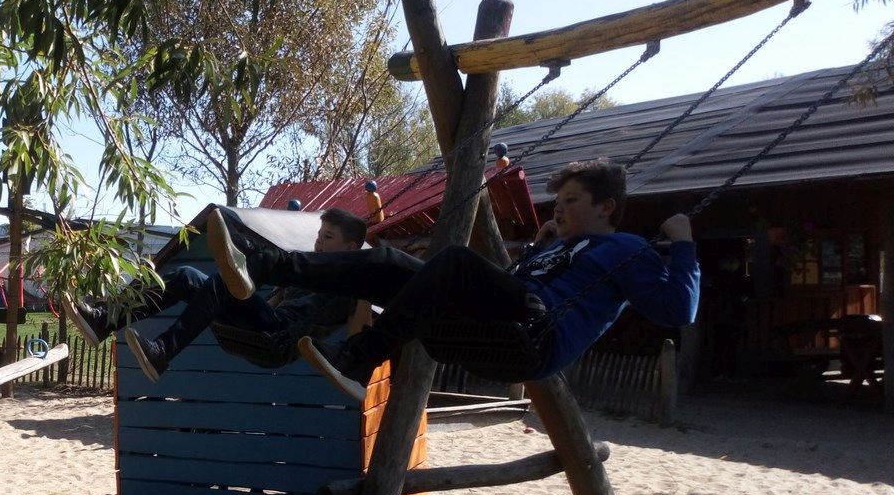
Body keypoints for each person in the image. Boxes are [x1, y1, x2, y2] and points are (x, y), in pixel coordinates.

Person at [207, 158, 701, 400]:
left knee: (456, 261)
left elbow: (677, 310)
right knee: (385, 263)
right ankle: (262, 266)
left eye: (571, 201)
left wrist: (683, 244)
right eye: (560, 200)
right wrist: (541, 248)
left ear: (606, 207)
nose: (559, 208)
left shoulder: (627, 249)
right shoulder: (559, 244)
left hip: (536, 335)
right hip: (499, 321)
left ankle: (358, 357)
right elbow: (510, 284)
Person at [63, 207, 371, 382]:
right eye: (318, 236)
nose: (318, 243)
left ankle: (162, 351)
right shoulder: (306, 271)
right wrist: (245, 304)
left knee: (224, 280)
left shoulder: (353, 284)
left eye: (327, 237)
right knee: (186, 276)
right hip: (260, 328)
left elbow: (360, 331)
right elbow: (271, 304)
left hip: (279, 340)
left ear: (351, 247)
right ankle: (105, 320)